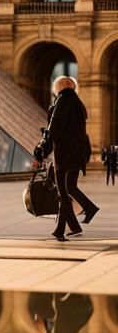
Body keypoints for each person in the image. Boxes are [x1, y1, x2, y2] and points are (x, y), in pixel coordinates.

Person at [40, 75, 99, 242]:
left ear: (58, 87)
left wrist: (44, 149)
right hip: (77, 154)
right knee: (70, 187)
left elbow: (55, 127)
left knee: (63, 192)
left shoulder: (62, 101)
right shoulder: (78, 104)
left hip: (64, 154)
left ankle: (89, 208)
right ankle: (66, 228)